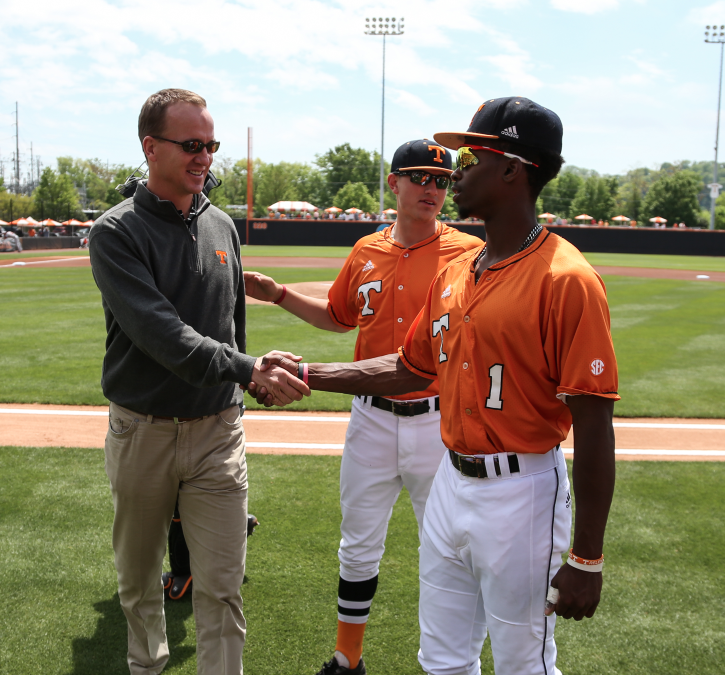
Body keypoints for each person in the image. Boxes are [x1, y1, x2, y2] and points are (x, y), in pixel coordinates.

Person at [253, 97, 619, 675]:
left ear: (512, 169)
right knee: (443, 659)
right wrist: (306, 374)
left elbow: (596, 425)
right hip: (449, 476)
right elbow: (406, 366)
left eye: (472, 155)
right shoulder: (457, 272)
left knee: (524, 662)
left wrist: (588, 557)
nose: (457, 169)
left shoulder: (566, 279)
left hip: (520, 491)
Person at [88, 88, 309, 675]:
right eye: (191, 145)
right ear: (150, 147)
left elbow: (230, 326)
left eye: (211, 145)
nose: (204, 157)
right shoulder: (116, 232)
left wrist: (247, 380)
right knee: (138, 585)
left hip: (217, 433)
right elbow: (161, 334)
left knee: (223, 587)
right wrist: (247, 368)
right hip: (143, 434)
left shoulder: (221, 225)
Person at [245, 139, 482, 675]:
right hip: (371, 419)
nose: (432, 188)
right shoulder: (366, 249)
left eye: (441, 180)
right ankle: (346, 658)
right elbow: (338, 315)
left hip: (438, 421)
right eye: (419, 177)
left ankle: (452, 665)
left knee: (447, 550)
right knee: (357, 544)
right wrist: (279, 294)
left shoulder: (467, 252)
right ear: (394, 183)